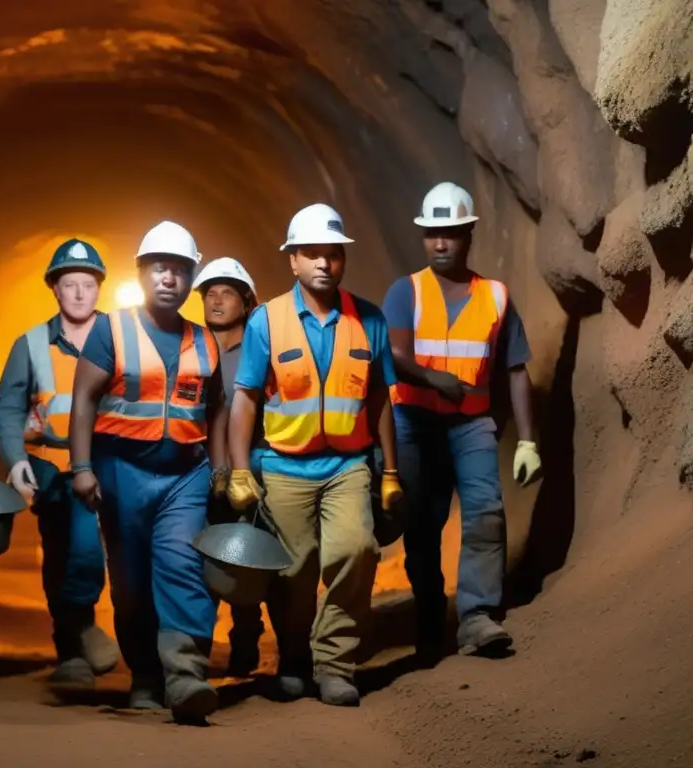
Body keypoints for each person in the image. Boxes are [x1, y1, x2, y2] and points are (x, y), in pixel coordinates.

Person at [227, 203, 403, 707]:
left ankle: (334, 663)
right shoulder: (267, 322)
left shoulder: (368, 320)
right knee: (292, 571)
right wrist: (241, 469)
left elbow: (378, 399)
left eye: (334, 254)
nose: (324, 263)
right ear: (293, 261)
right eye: (313, 254)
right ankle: (294, 658)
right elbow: (246, 399)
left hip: (349, 464)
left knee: (356, 550)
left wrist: (389, 471)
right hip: (284, 466)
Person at [69, 221, 228, 724]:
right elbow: (83, 400)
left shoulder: (205, 342)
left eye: (181, 270)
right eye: (160, 267)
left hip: (184, 474)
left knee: (183, 569)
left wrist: (223, 469)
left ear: (190, 279)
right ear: (141, 273)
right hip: (121, 472)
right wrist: (82, 467)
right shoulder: (109, 329)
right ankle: (144, 675)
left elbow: (217, 409)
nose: (169, 278)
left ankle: (185, 676)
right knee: (132, 583)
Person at [382, 181, 542, 663]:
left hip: (471, 426)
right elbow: (395, 354)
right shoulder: (404, 291)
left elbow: (515, 368)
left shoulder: (494, 297)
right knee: (422, 525)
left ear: (469, 235)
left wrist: (527, 442)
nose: (441, 242)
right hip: (413, 423)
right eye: (432, 233)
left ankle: (476, 615)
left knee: (485, 512)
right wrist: (435, 379)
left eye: (451, 233)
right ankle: (431, 614)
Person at [0, 239, 119, 687]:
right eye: (71, 284)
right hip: (51, 466)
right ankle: (72, 647)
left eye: (89, 284)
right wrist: (13, 460)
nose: (81, 293)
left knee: (89, 552)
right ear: (55, 288)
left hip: (109, 464)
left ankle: (85, 631)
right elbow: (7, 408)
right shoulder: (30, 344)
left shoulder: (122, 336)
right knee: (62, 553)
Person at [191, 256, 267, 677]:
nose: (217, 301)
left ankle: (245, 635)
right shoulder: (190, 347)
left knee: (243, 559)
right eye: (210, 294)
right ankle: (197, 647)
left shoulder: (260, 348)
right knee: (196, 562)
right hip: (195, 472)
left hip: (249, 468)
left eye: (227, 293)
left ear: (246, 301)